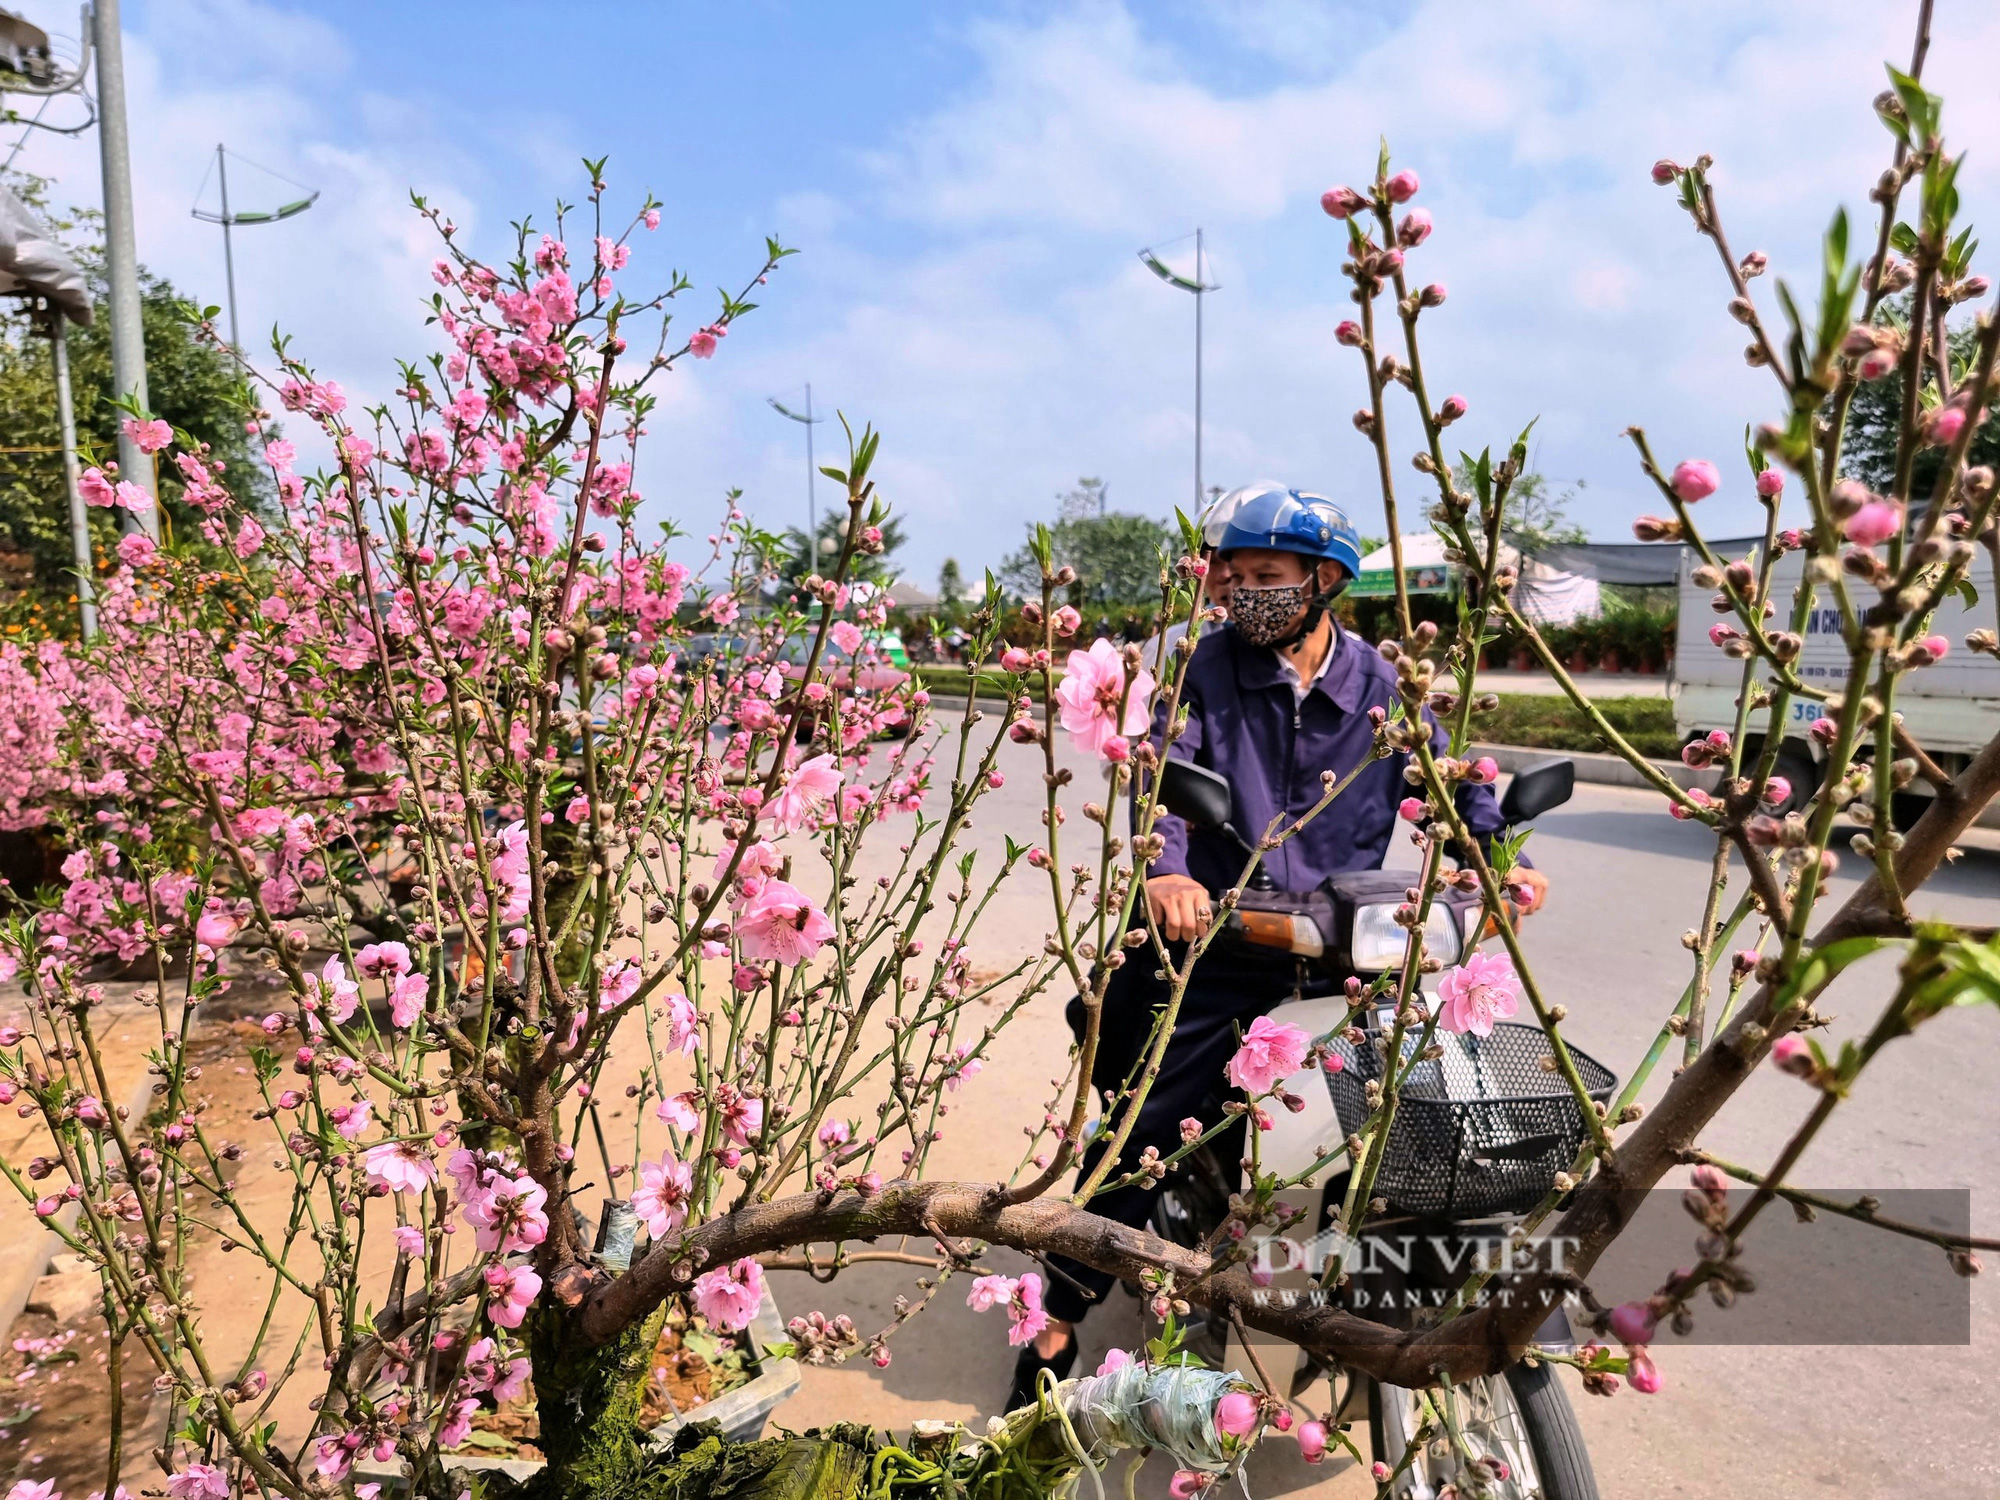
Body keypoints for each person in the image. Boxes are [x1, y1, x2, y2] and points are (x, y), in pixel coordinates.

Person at [1008, 485, 1548, 1407]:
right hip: (1210, 943)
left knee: (1417, 1101)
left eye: (1267, 576)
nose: (1242, 590)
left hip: (1345, 946)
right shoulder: (1200, 670)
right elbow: (1162, 775)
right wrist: (1168, 873)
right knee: (1145, 1134)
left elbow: (1450, 783)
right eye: (1234, 574)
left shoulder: (1382, 687)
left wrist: (1495, 863)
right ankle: (1055, 1317)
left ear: (1325, 582)